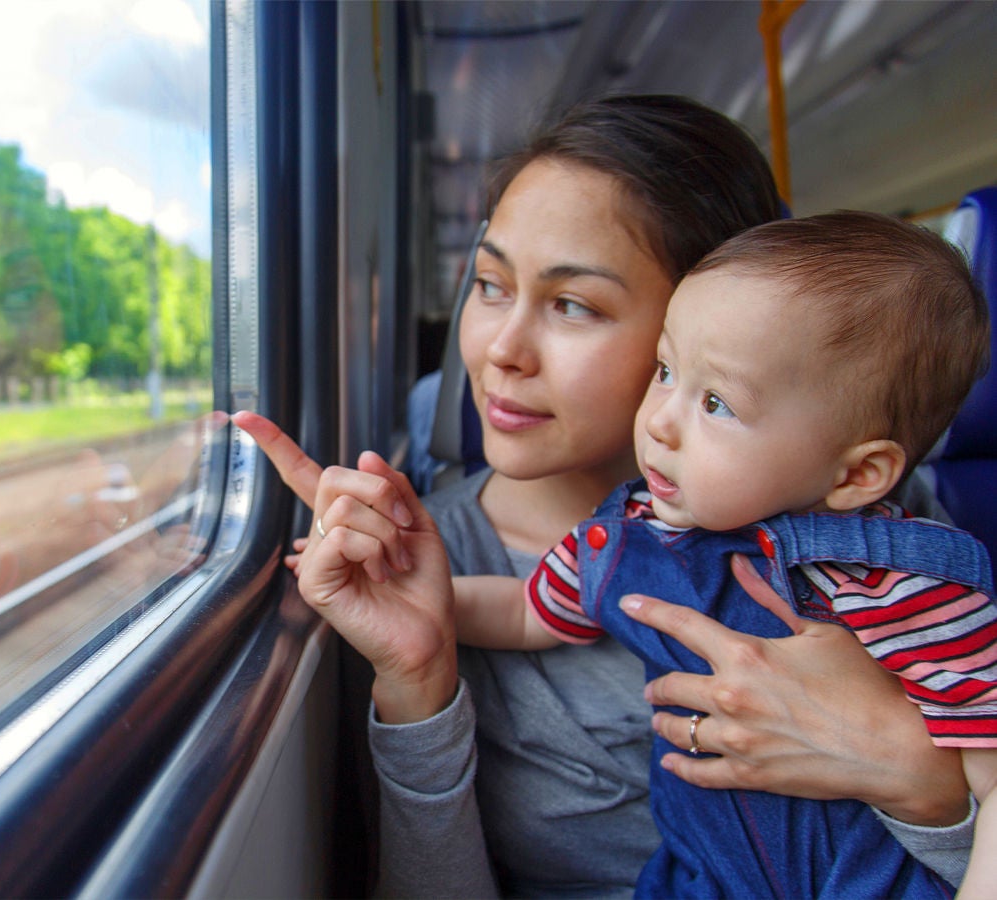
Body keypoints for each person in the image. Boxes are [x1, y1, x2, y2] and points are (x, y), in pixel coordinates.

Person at [234, 95, 975, 897]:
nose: (501, 351)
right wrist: (419, 677)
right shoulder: (420, 563)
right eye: (488, 285)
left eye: (573, 305)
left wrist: (917, 778)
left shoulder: (869, 533)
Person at [449, 211, 996, 897]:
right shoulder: (631, 538)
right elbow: (528, 613)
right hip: (698, 877)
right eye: (665, 370)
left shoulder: (904, 586)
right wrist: (429, 601)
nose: (659, 422)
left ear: (857, 475)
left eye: (716, 403)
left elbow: (989, 777)